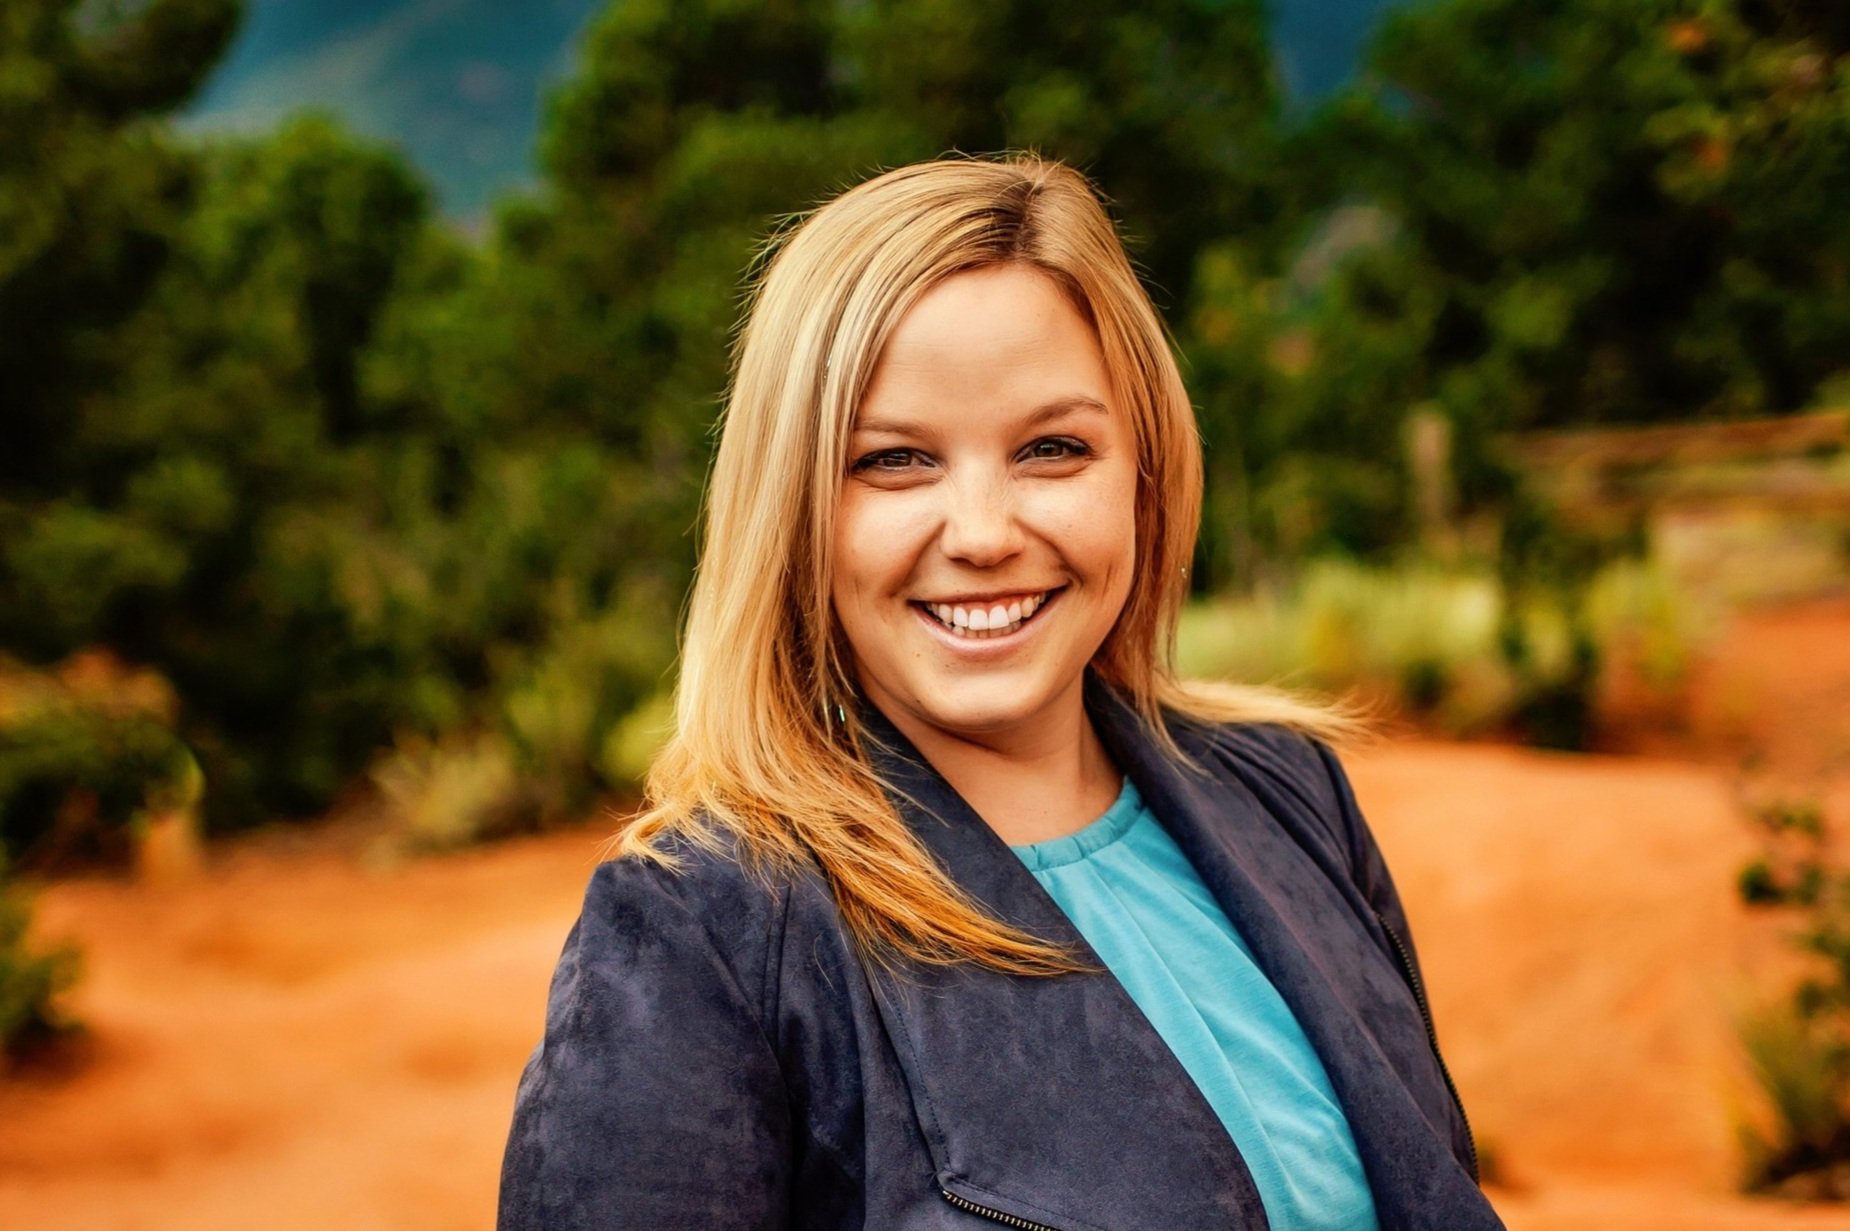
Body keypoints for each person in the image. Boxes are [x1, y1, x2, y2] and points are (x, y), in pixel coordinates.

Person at [496, 154, 1502, 1231]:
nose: (982, 534)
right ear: (791, 509)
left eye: (1052, 448)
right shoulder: (709, 929)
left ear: (1142, 472)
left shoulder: (1291, 797)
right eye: (893, 461)